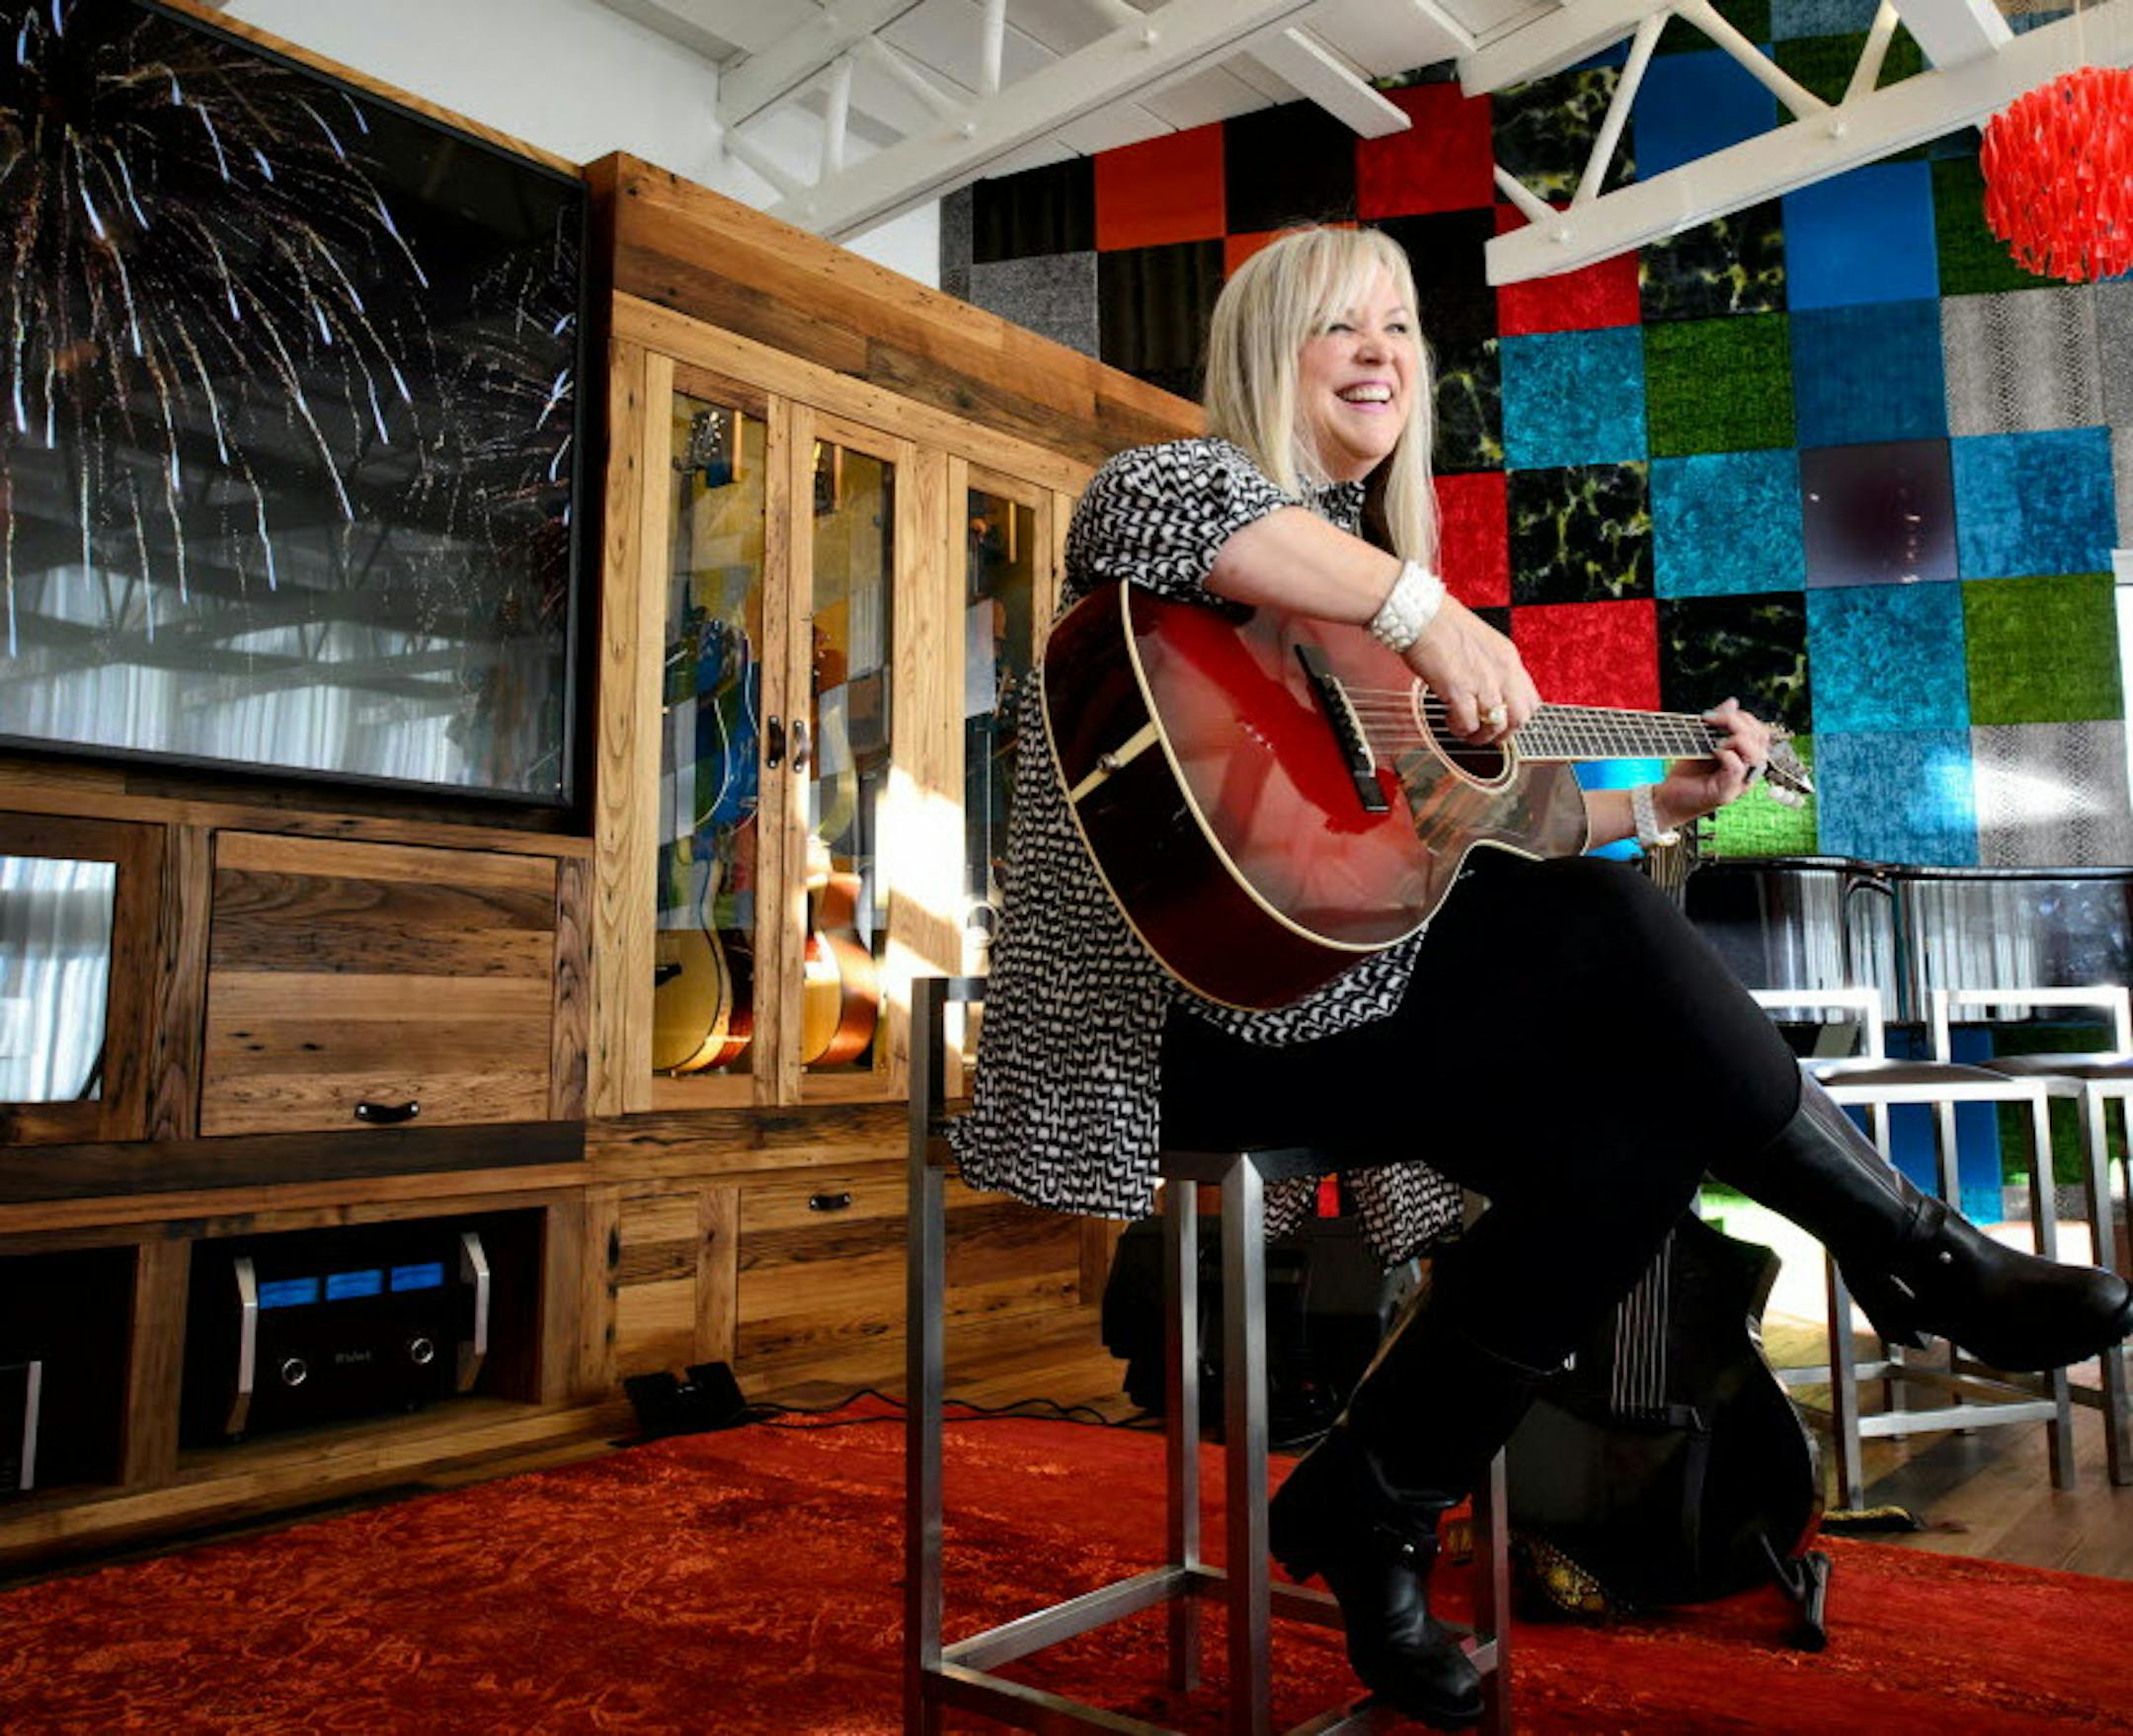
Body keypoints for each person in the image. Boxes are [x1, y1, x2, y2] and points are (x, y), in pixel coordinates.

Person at [948, 224, 2133, 1730]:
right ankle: (1921, 1253)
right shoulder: (1176, 508)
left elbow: (1497, 818)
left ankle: (1374, 1497)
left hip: (1334, 1002)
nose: (1383, 349)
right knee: (1598, 928)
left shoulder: (1362, 619)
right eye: (1339, 328)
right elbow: (1191, 510)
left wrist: (1674, 801)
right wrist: (1428, 612)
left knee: (1632, 1138)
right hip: (1177, 1029)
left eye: (1399, 327)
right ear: (1266, 356)